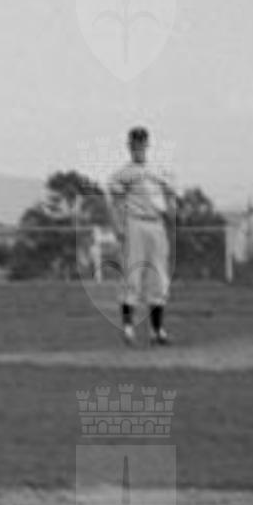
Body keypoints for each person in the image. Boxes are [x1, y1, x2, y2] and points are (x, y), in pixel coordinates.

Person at [107, 125, 177, 347]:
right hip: (135, 223)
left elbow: (171, 195)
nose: (138, 147)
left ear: (147, 145)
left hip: (157, 224)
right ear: (129, 146)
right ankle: (128, 327)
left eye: (141, 143)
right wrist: (118, 227)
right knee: (133, 274)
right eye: (134, 143)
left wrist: (172, 213)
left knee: (159, 277)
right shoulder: (122, 174)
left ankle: (157, 330)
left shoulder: (160, 170)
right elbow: (115, 202)